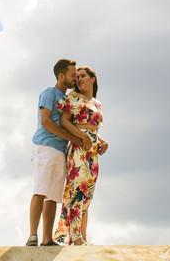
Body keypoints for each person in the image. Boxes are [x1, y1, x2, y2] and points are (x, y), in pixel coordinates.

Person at [27, 58, 85, 247]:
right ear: (61, 76)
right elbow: (45, 121)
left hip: (60, 151)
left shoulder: (67, 99)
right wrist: (72, 138)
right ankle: (32, 236)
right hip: (44, 147)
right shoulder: (49, 92)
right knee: (40, 191)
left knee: (53, 196)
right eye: (72, 75)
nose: (75, 78)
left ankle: (47, 239)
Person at [53, 66, 108, 246]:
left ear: (93, 78)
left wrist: (102, 142)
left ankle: (81, 237)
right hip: (78, 147)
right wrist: (81, 136)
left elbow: (93, 128)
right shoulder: (72, 97)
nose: (79, 79)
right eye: (77, 77)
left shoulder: (97, 103)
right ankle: (74, 237)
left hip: (93, 151)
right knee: (77, 190)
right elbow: (64, 121)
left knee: (88, 194)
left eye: (83, 76)